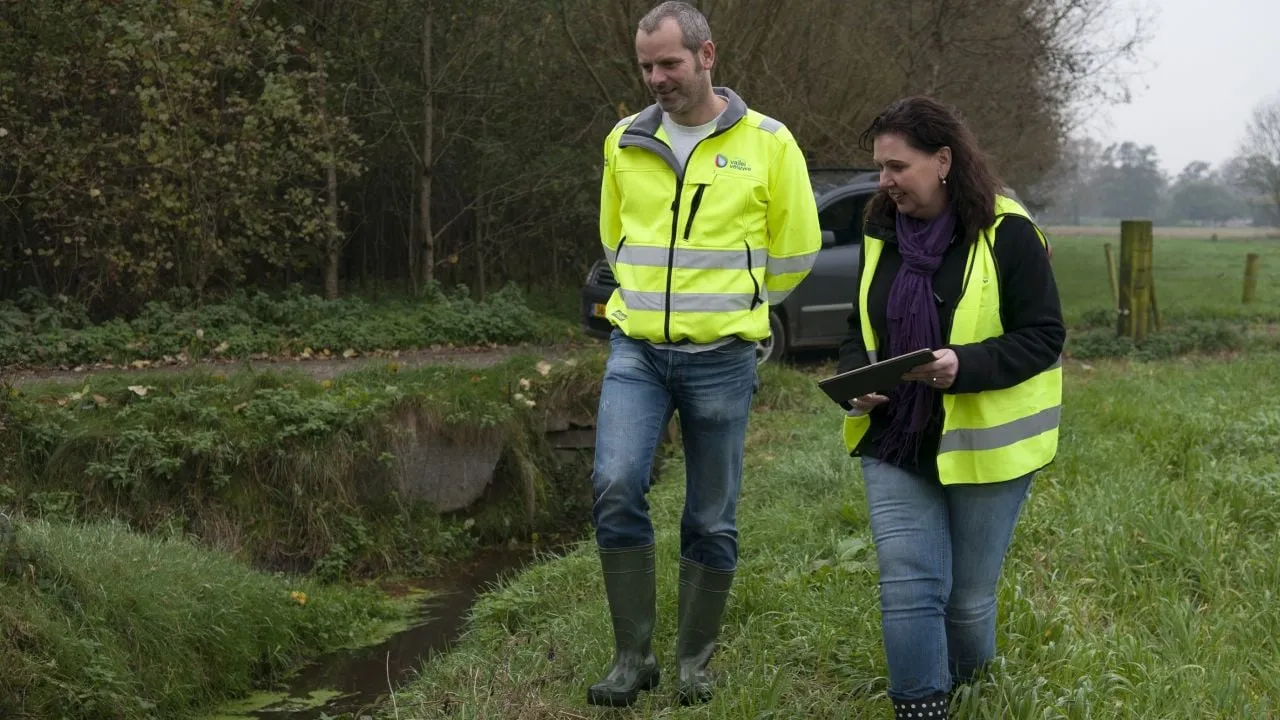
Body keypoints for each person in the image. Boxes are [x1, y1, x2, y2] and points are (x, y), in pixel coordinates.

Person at [587, 0, 821, 708]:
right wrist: (647, 301)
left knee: (711, 515)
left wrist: (737, 308)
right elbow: (613, 239)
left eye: (669, 63)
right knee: (616, 485)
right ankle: (634, 657)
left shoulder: (770, 143)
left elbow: (798, 249)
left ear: (707, 55)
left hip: (723, 357)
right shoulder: (623, 139)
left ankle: (694, 663)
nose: (656, 77)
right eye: (646, 65)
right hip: (637, 351)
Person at [836, 96, 1064, 719]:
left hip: (986, 445)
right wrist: (854, 375)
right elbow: (860, 324)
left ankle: (972, 695)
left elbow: (1043, 336)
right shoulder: (879, 228)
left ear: (943, 160)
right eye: (881, 167)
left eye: (897, 167)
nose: (884, 182)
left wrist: (965, 365)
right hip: (894, 437)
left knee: (966, 602)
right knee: (910, 584)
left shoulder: (1009, 231)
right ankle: (921, 706)